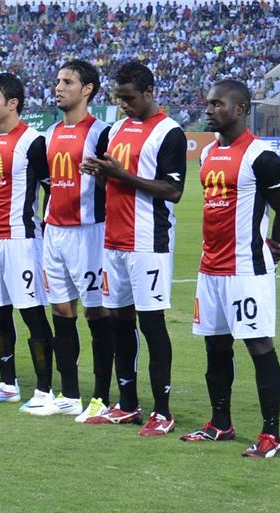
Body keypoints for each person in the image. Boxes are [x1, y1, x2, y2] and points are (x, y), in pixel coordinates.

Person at [181, 80, 280, 458]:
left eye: (218, 104)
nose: (210, 110)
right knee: (215, 346)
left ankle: (271, 434)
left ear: (242, 109)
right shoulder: (207, 153)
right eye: (208, 103)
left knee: (259, 346)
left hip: (246, 269)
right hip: (209, 269)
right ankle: (220, 424)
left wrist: (276, 245)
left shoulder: (261, 156)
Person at [80, 61, 186, 436]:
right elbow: (113, 181)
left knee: (152, 324)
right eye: (119, 99)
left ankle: (163, 411)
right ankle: (127, 405)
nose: (123, 105)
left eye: (129, 98)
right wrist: (100, 172)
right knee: (119, 321)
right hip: (113, 240)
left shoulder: (169, 132)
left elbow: (173, 190)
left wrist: (120, 175)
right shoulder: (118, 129)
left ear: (148, 92)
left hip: (148, 242)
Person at [36, 60, 115, 419]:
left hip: (90, 233)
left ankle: (100, 397)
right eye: (57, 81)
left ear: (87, 90)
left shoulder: (101, 133)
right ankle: (69, 394)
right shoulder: (50, 133)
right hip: (55, 232)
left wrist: (100, 176)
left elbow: (114, 184)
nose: (59, 87)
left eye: (67, 82)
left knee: (96, 312)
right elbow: (48, 184)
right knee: (61, 311)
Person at [0, 73, 54, 409]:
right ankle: (8, 384)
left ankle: (44, 390)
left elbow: (51, 189)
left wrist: (49, 231)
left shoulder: (33, 142)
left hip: (22, 241)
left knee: (32, 316)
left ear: (12, 103)